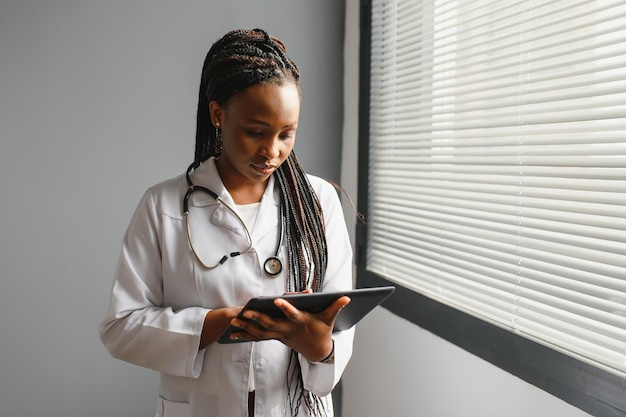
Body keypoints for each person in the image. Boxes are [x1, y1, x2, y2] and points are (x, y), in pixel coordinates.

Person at [99, 28, 355, 417]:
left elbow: (339, 326)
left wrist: (316, 344)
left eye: (287, 134)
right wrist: (220, 323)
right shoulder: (162, 205)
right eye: (255, 132)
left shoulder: (318, 203)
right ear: (218, 115)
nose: (272, 151)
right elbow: (121, 328)